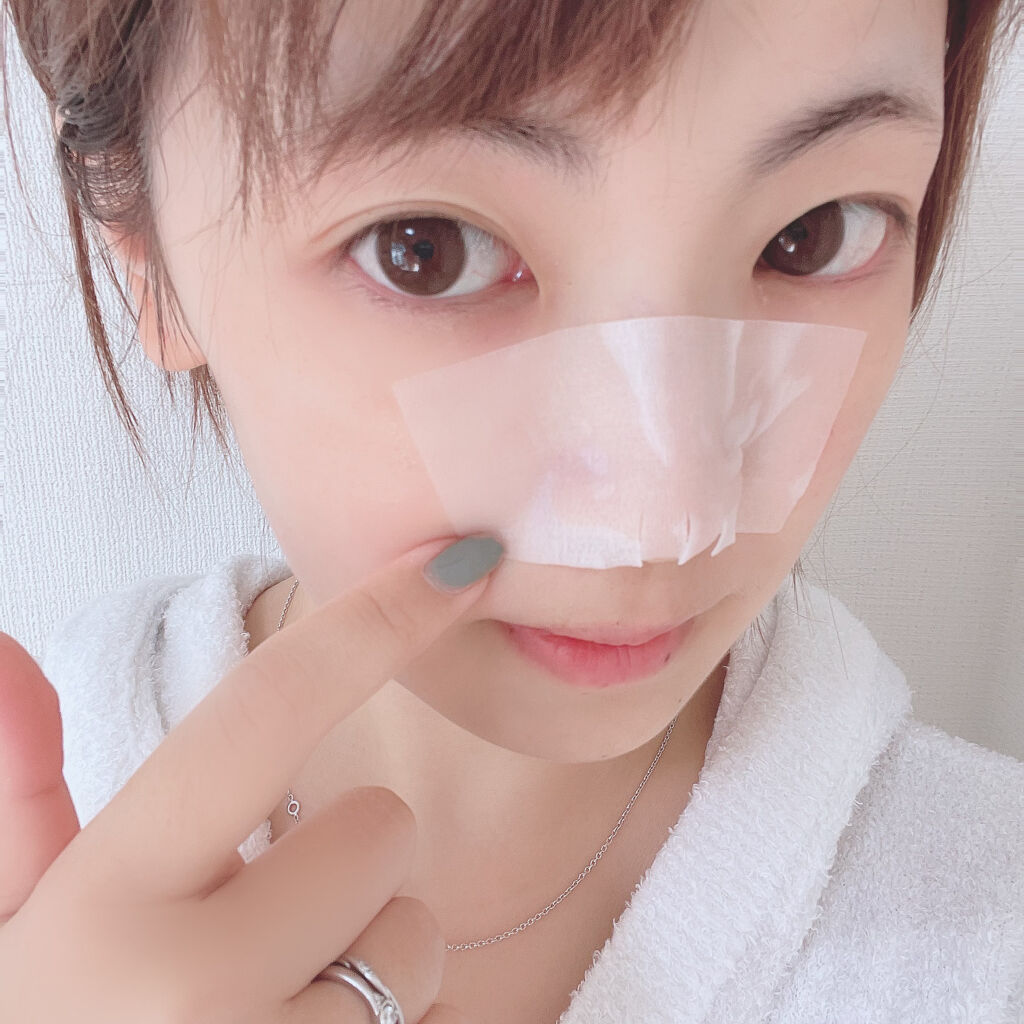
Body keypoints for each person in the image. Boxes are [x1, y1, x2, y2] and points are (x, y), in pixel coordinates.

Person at [1, 1, 1021, 1022]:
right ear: (139, 242)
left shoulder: (987, 933)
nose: (660, 518)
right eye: (428, 250)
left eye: (813, 236)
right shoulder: (36, 842)